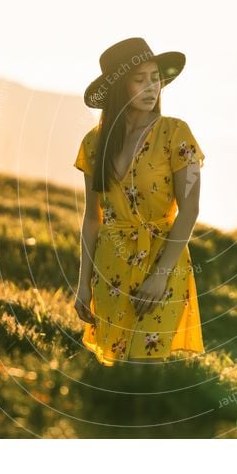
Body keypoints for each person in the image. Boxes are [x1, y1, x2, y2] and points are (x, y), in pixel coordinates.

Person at [72, 37, 205, 367]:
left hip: (164, 261)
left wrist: (160, 275)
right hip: (111, 266)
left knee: (144, 369)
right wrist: (82, 284)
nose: (152, 87)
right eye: (140, 79)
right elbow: (92, 218)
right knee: (116, 369)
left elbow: (190, 210)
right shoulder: (93, 143)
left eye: (155, 78)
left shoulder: (176, 133)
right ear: (119, 87)